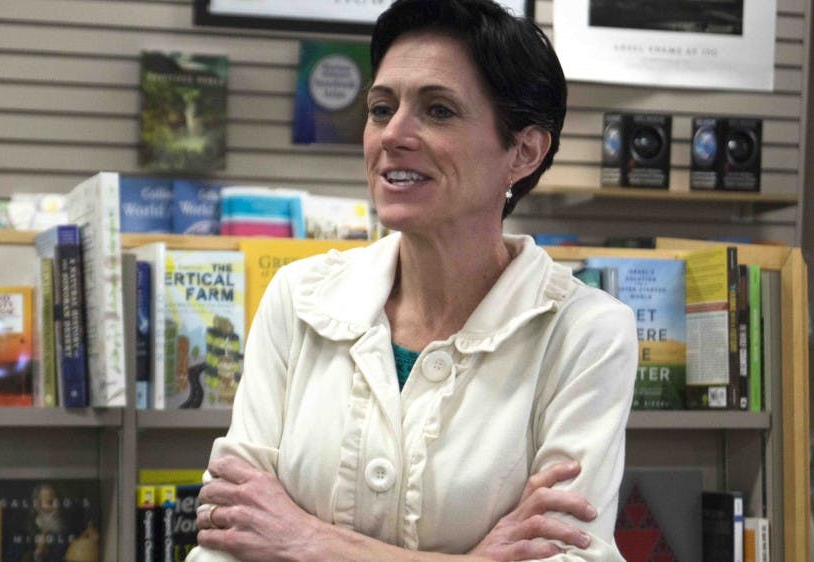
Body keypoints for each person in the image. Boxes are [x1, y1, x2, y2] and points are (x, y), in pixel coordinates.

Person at [188, 0, 637, 560]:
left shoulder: (587, 333)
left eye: (439, 111)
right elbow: (227, 537)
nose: (393, 134)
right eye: (381, 109)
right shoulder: (297, 299)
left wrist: (308, 541)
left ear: (523, 152)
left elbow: (572, 557)